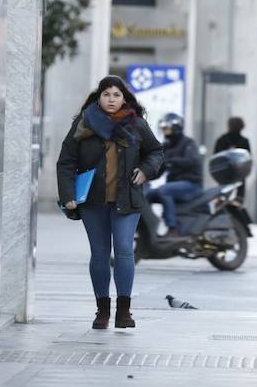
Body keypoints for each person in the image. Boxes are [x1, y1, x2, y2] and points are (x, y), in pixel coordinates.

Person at [56, 75, 163, 330]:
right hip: (93, 201)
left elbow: (156, 152)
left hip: (127, 199)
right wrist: (68, 195)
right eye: (106, 94)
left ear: (124, 98)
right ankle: (102, 310)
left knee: (125, 250)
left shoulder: (136, 124)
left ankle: (124, 311)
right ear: (99, 97)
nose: (111, 99)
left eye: (116, 95)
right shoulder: (83, 123)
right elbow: (66, 161)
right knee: (100, 254)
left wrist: (145, 170)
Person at [148, 113, 203, 236]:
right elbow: (160, 170)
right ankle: (147, 229)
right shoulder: (166, 146)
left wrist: (171, 161)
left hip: (191, 184)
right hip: (175, 185)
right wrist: (143, 176)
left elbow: (192, 161)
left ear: (176, 128)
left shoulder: (188, 143)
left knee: (164, 190)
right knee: (147, 195)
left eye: (167, 129)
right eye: (163, 129)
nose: (164, 132)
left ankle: (172, 228)